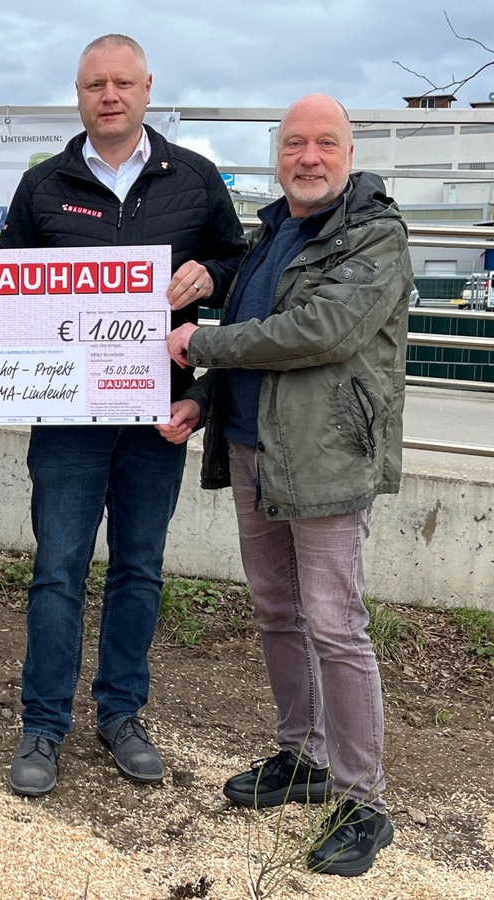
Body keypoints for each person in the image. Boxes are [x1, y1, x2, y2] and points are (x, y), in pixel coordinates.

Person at [164, 93, 412, 877]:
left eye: (325, 143)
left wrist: (201, 339)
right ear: (279, 155)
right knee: (277, 611)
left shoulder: (374, 235)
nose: (309, 157)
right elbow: (252, 340)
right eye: (295, 143)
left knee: (336, 625)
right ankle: (301, 757)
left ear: (349, 152)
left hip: (328, 457)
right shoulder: (271, 234)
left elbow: (318, 333)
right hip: (250, 449)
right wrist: (201, 397)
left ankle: (363, 801)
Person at [0, 34, 247, 796]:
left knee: (138, 570)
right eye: (94, 84)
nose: (109, 95)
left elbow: (243, 277)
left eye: (122, 83)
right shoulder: (44, 186)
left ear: (147, 90)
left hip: (155, 419)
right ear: (78, 96)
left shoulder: (197, 180)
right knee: (57, 572)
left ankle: (121, 714)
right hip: (68, 424)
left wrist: (216, 273)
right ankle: (43, 726)